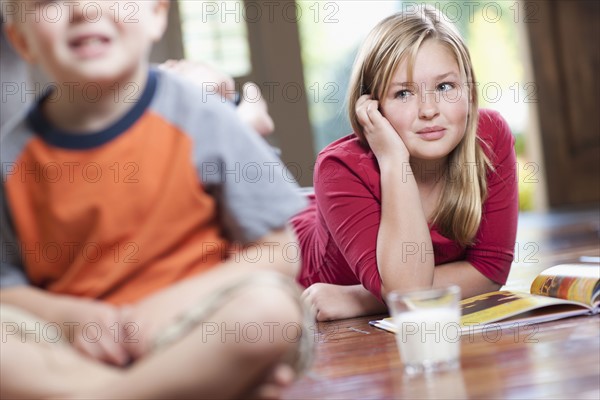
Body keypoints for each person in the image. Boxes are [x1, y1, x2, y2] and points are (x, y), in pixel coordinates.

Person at [0, 1, 312, 398]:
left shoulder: (203, 116)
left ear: (156, 15)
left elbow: (278, 252)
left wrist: (170, 306)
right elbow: (5, 287)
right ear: (21, 39)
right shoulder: (11, 158)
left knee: (269, 312)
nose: (82, 8)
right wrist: (70, 319)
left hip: (193, 326)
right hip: (80, 346)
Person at [293, 4, 519, 321]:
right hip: (283, 254)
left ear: (468, 90)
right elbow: (411, 292)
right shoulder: (338, 168)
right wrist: (393, 159)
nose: (428, 109)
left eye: (444, 86)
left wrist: (362, 299)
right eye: (403, 93)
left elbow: (490, 272)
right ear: (372, 106)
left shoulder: (490, 136)